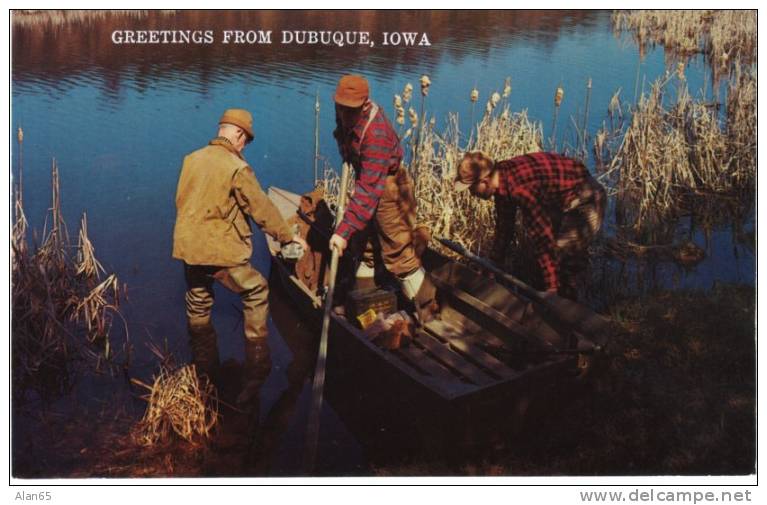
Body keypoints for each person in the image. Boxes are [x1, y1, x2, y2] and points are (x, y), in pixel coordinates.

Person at [172, 108, 307, 406]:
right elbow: (260, 208)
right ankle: (258, 363)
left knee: (198, 302)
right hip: (219, 251)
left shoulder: (191, 159)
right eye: (245, 139)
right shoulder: (236, 167)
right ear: (236, 134)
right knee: (257, 290)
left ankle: (204, 372)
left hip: (189, 247)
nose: (244, 145)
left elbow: (181, 200)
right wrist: (286, 235)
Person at [327, 74, 437, 323]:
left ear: (365, 104)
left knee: (399, 256)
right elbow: (341, 129)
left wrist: (342, 231)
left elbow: (368, 192)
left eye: (350, 109)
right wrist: (346, 148)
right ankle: (363, 303)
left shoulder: (376, 133)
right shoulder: (343, 108)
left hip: (390, 188)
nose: (344, 113)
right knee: (365, 248)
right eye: (341, 106)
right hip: (370, 178)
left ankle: (429, 313)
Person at [454, 151, 605, 300]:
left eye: (471, 188)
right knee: (548, 262)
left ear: (484, 181)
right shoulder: (500, 179)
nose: (472, 194)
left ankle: (568, 307)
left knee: (562, 255)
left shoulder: (520, 190)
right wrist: (493, 262)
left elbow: (543, 239)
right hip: (562, 197)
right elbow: (504, 228)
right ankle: (556, 294)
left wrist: (551, 289)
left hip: (587, 198)